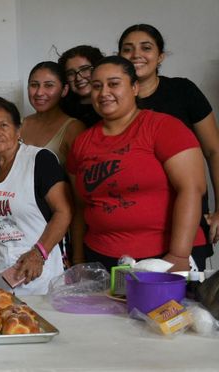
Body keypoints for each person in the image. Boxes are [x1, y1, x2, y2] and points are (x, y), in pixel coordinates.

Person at [66, 56, 207, 271]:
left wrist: (178, 255)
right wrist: (78, 260)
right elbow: (79, 206)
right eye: (97, 86)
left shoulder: (164, 127)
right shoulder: (81, 142)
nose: (104, 93)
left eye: (114, 84)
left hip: (164, 258)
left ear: (134, 88)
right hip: (101, 258)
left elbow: (192, 189)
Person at [118, 23, 219, 269]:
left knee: (182, 293)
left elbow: (213, 150)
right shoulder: (112, 101)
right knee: (125, 292)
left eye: (146, 48)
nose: (136, 54)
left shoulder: (182, 91)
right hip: (132, 229)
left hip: (185, 220)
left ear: (160, 56)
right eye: (128, 49)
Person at [0, 97, 71, 295]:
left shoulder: (39, 160)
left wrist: (39, 253)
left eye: (3, 125)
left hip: (36, 274)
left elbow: (64, 212)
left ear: (18, 130)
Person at [20, 61, 85, 167]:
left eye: (49, 85)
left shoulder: (73, 128)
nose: (39, 92)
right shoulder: (20, 124)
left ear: (64, 90)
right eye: (34, 85)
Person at [58, 45, 105, 127]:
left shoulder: (113, 106)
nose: (78, 78)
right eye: (70, 73)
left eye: (85, 69)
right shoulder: (60, 112)